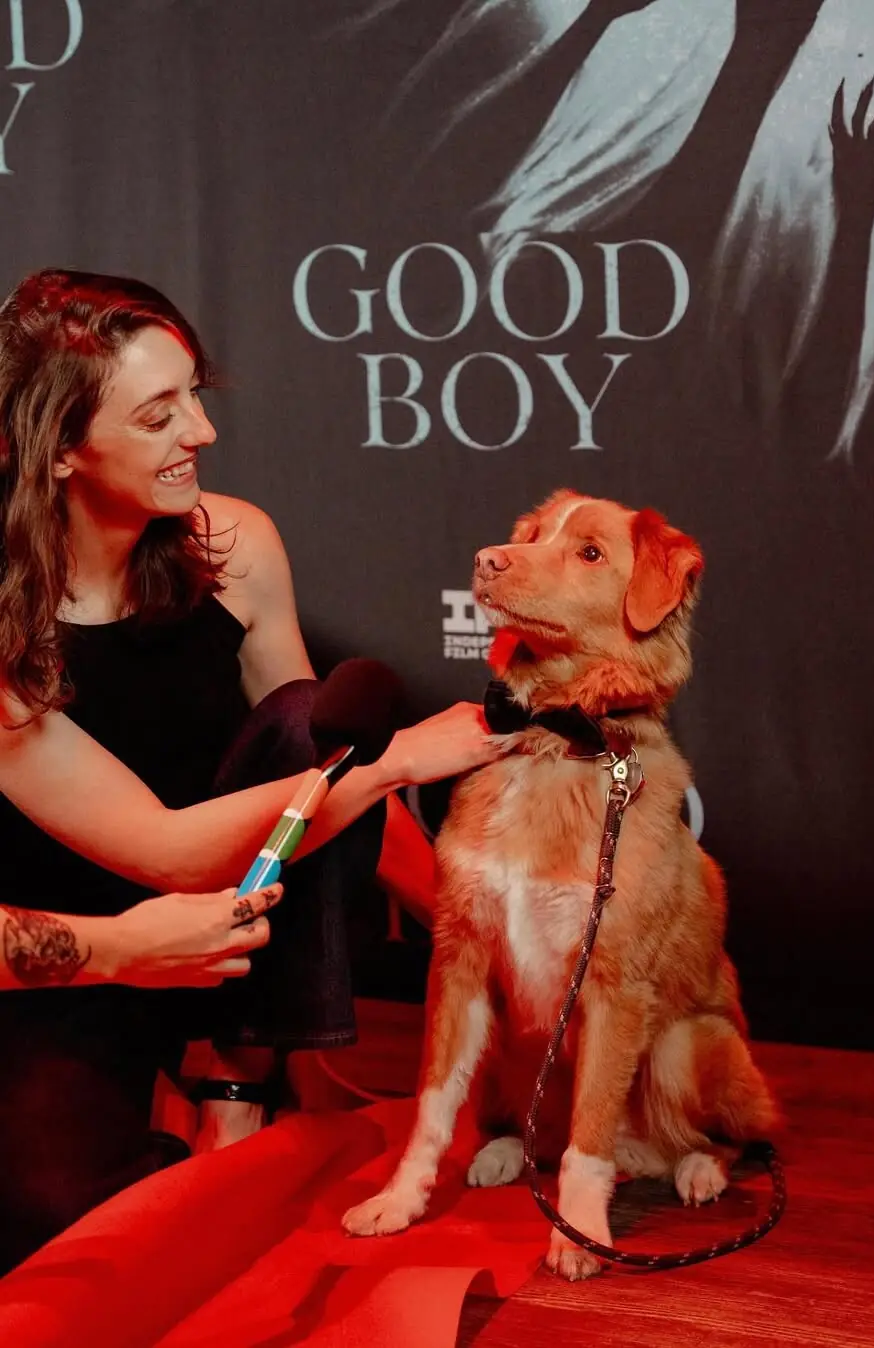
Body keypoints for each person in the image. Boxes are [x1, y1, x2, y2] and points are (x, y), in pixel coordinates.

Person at [0, 268, 502, 1274]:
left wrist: (483, 922)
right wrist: (395, 761)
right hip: (87, 946)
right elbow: (166, 850)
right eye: (158, 413)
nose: (202, 431)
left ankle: (238, 1069)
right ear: (60, 451)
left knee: (303, 716)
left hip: (229, 928)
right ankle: (166, 1099)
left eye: (196, 393)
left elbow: (310, 757)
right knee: (54, 1217)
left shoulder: (235, 546)